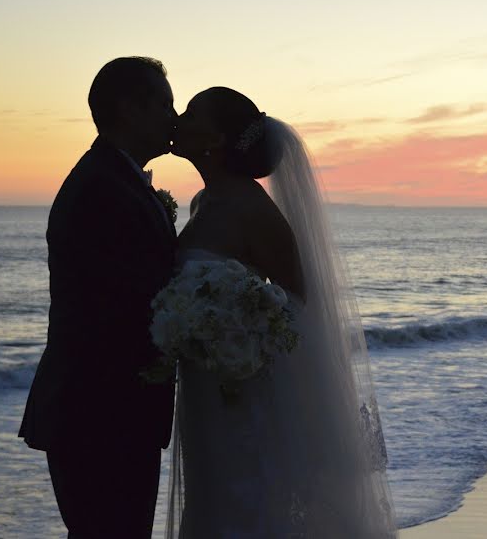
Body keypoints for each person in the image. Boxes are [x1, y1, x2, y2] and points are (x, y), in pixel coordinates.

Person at [167, 86, 397, 537]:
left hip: (239, 388)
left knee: (244, 497)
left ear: (215, 139)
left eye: (192, 113)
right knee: (211, 495)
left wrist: (239, 332)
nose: (179, 118)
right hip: (204, 388)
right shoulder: (203, 201)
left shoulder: (253, 208)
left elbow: (297, 303)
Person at [19, 57, 178, 538]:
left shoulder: (116, 179)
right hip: (100, 414)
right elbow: (126, 308)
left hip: (109, 412)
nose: (175, 119)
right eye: (165, 106)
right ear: (130, 110)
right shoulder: (102, 189)